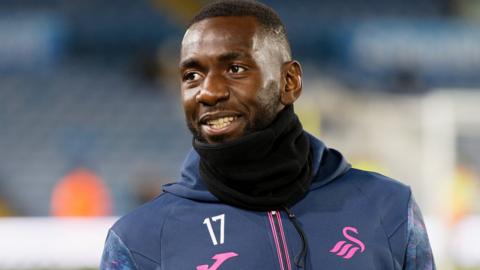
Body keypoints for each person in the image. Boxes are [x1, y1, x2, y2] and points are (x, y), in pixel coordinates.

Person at [100, 0, 435, 269]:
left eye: (235, 69)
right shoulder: (139, 241)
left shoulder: (388, 208)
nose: (208, 91)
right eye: (192, 74)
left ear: (289, 82)